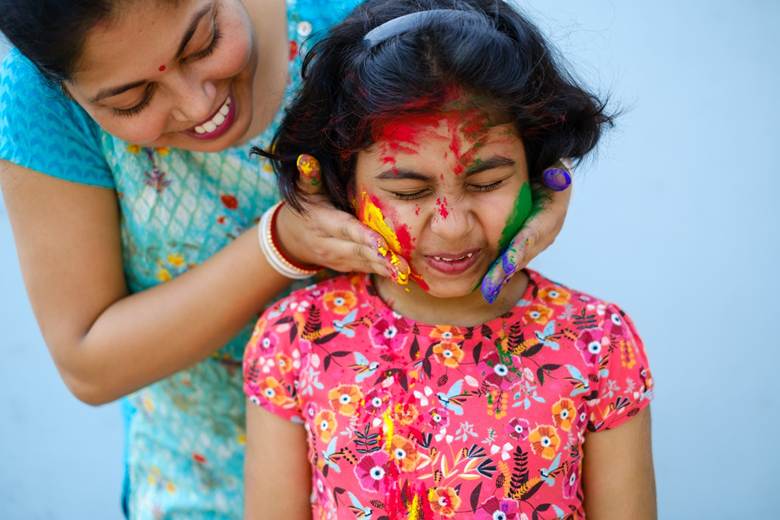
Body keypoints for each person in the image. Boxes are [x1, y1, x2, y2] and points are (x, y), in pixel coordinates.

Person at [0, 0, 570, 517]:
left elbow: (497, 110)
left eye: (203, 42)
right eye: (132, 99)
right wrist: (280, 244)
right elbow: (88, 362)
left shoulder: (362, 17)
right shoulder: (33, 98)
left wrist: (536, 169)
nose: (198, 103)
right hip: (200, 485)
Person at [242, 1, 656, 518]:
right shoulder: (296, 339)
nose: (452, 225)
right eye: (409, 190)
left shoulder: (598, 343)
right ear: (343, 188)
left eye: (487, 182)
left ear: (539, 168)